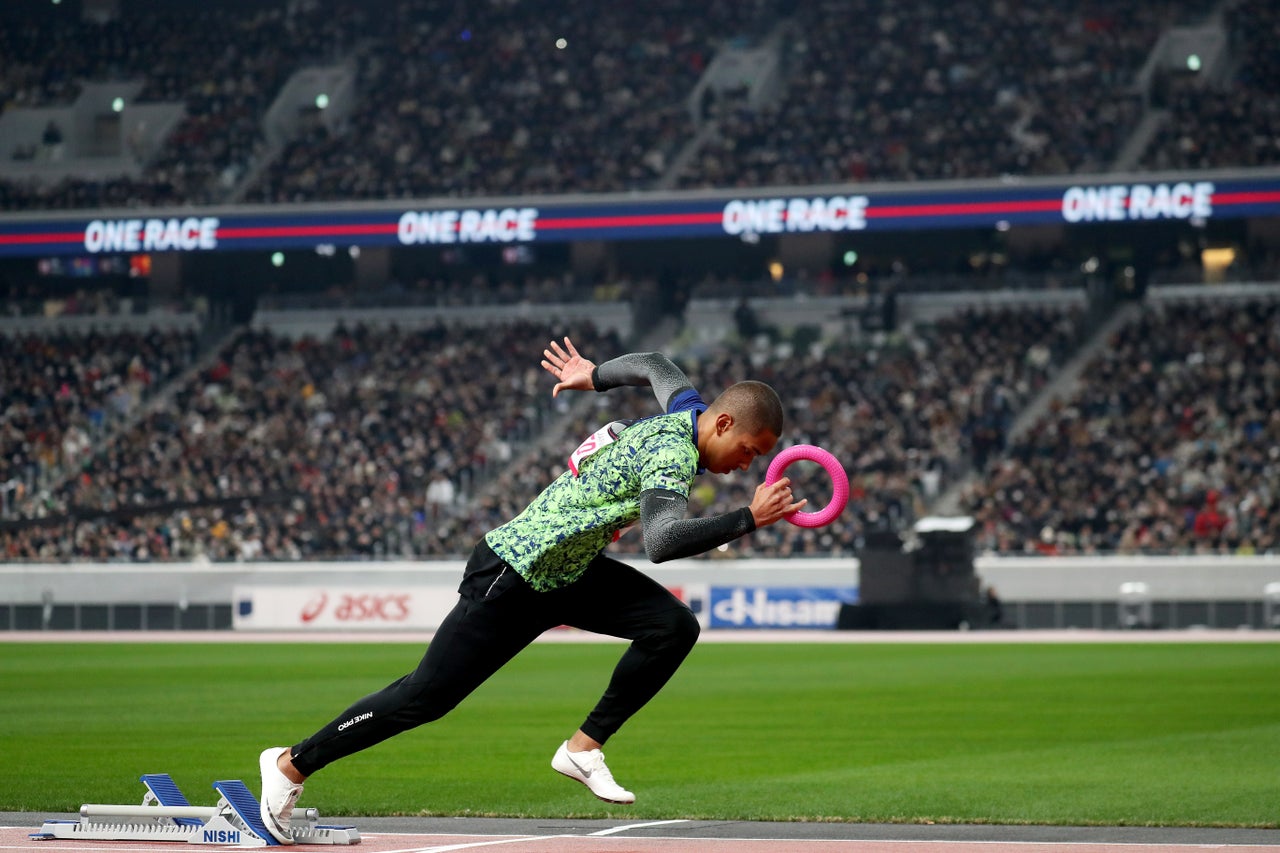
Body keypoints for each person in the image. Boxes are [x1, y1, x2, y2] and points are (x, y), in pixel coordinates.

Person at [257, 336, 805, 842]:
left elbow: (656, 366)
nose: (745, 467)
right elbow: (660, 541)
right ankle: (290, 764)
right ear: (725, 421)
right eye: (750, 451)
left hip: (570, 570)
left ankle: (583, 749)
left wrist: (596, 376)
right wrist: (747, 519)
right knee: (425, 697)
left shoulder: (689, 411)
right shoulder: (674, 455)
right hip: (516, 572)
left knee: (673, 625)